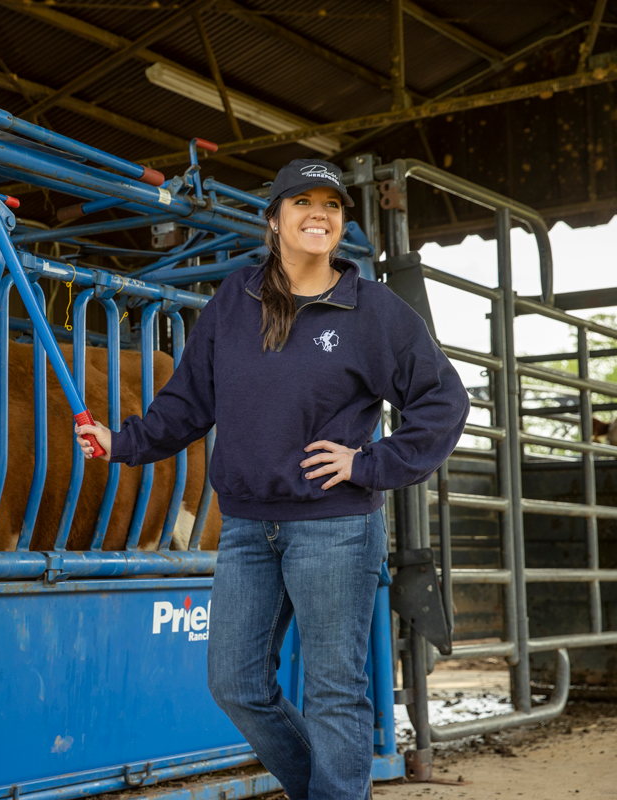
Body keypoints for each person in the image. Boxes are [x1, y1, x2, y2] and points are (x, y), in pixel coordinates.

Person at [75, 158, 469, 800]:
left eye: (332, 205)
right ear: (274, 219)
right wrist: (123, 443)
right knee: (235, 683)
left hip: (335, 528)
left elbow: (443, 400)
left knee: (335, 692)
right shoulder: (236, 300)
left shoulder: (371, 309)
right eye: (303, 202)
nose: (319, 214)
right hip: (247, 527)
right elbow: (189, 400)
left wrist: (368, 463)